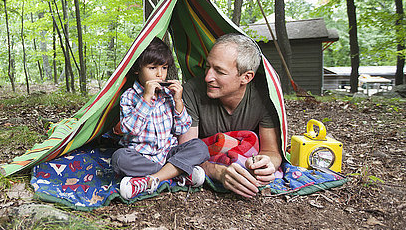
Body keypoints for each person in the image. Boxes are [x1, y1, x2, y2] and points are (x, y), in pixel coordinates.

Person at [179, 33, 282, 198]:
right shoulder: (192, 91)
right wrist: (217, 172)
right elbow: (184, 154)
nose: (207, 77)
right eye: (208, 67)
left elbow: (271, 151)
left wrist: (267, 165)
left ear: (246, 77)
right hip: (208, 156)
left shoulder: (265, 95)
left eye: (219, 71)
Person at [112, 37, 210, 200]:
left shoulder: (168, 96)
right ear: (137, 69)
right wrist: (146, 99)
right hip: (141, 155)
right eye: (152, 68)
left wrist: (178, 101)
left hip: (168, 153)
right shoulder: (128, 97)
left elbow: (181, 129)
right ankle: (176, 173)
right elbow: (131, 130)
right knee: (119, 159)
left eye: (164, 68)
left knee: (200, 147)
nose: (160, 74)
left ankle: (150, 179)